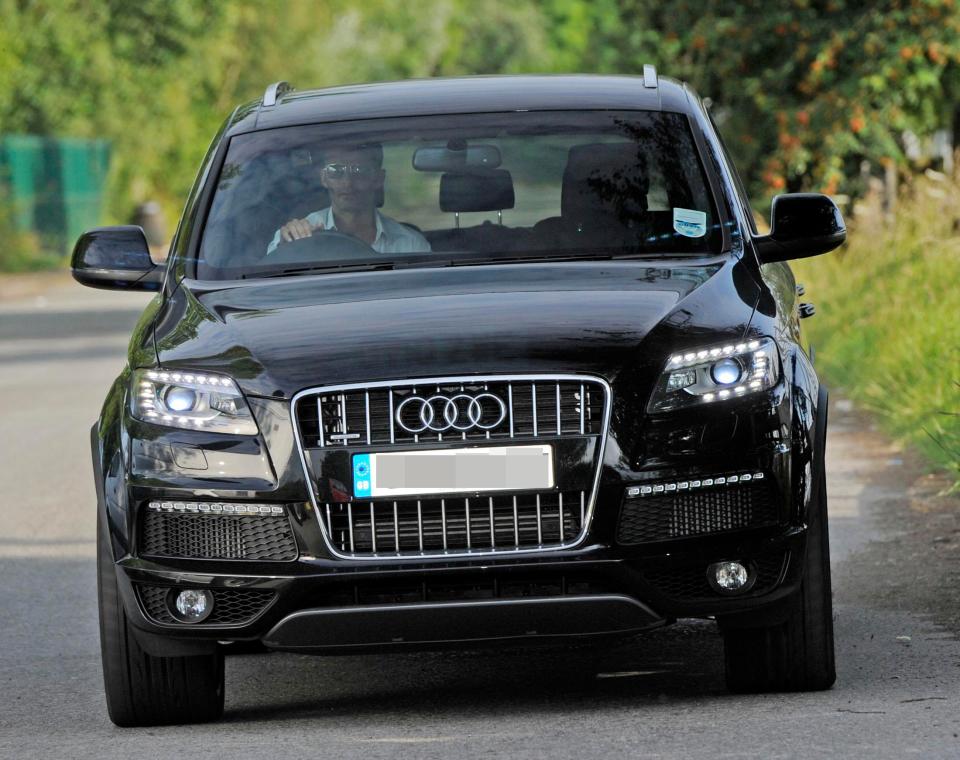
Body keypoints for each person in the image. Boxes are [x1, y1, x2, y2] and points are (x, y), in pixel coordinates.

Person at [266, 142, 430, 254]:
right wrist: (287, 245)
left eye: (360, 171)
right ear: (323, 178)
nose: (347, 182)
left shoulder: (410, 245)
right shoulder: (299, 235)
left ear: (379, 179)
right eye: (336, 171)